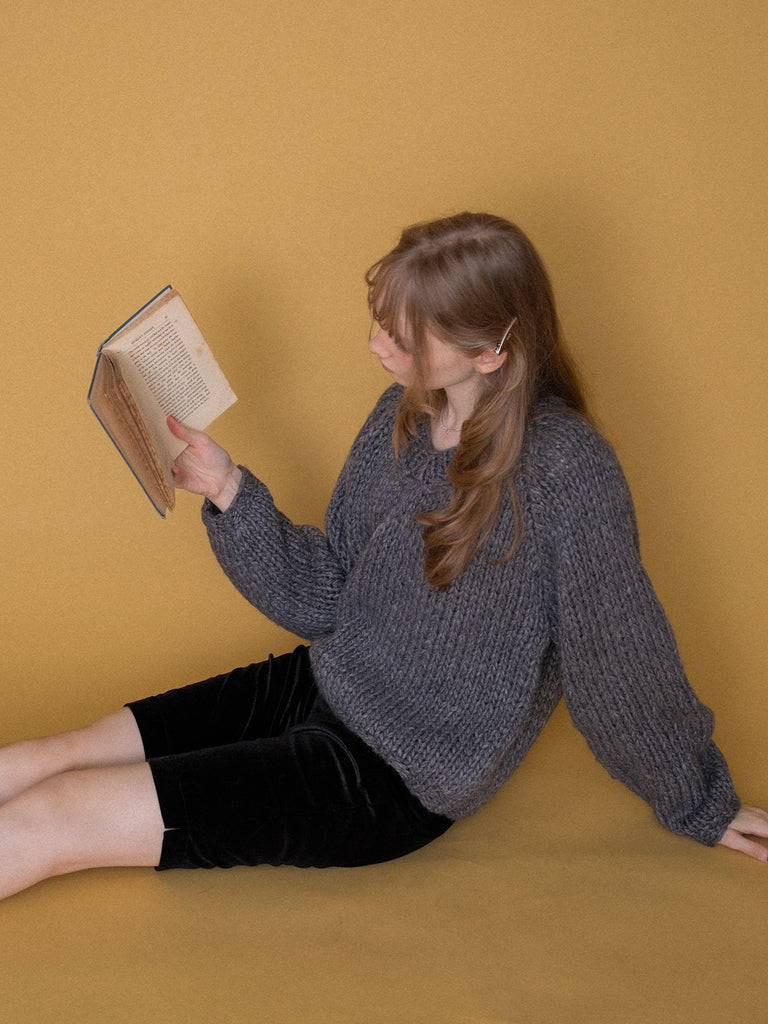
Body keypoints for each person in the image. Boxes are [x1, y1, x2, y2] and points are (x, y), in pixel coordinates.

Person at [1, 212, 766, 901]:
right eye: (381, 324)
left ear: (490, 352)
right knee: (52, 758)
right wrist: (228, 489)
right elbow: (328, 596)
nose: (376, 348)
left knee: (53, 817)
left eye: (403, 338)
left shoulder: (568, 473)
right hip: (322, 680)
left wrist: (697, 799)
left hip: (388, 779)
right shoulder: (398, 421)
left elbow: (621, 664)